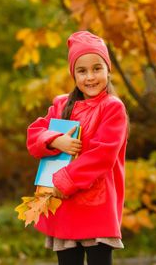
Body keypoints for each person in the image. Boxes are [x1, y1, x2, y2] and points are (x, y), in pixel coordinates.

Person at [27, 31, 128, 265]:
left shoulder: (112, 107)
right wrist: (54, 139)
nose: (90, 77)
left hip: (96, 204)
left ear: (108, 70)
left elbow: (102, 155)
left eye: (96, 68)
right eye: (82, 71)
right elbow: (34, 135)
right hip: (64, 206)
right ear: (73, 73)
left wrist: (64, 181)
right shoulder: (62, 104)